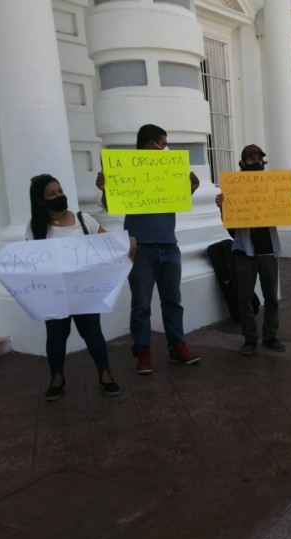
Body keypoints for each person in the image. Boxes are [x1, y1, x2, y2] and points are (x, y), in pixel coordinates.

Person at [0, 174, 132, 400]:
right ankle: (57, 377)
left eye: (60, 191)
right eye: (52, 194)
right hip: (54, 294)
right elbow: (26, 260)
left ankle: (105, 375)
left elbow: (110, 244)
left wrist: (129, 242)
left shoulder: (84, 220)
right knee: (55, 335)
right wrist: (0, 263)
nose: (59, 196)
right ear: (41, 201)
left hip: (85, 293)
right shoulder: (36, 228)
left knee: (92, 333)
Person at [96, 124, 200, 375]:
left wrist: (191, 188)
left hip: (169, 245)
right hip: (140, 248)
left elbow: (180, 198)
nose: (164, 149)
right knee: (141, 304)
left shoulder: (169, 172)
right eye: (161, 143)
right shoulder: (128, 170)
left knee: (172, 301)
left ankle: (177, 346)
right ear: (150, 143)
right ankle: (142, 351)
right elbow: (111, 205)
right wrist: (105, 188)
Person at [214, 144, 291, 356]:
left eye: (259, 159)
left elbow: (279, 214)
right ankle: (250, 338)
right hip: (244, 251)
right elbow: (231, 227)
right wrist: (223, 207)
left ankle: (270, 335)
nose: (257, 163)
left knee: (271, 295)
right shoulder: (234, 188)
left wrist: (290, 205)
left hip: (268, 250)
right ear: (243, 163)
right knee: (244, 297)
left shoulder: (272, 185)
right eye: (252, 160)